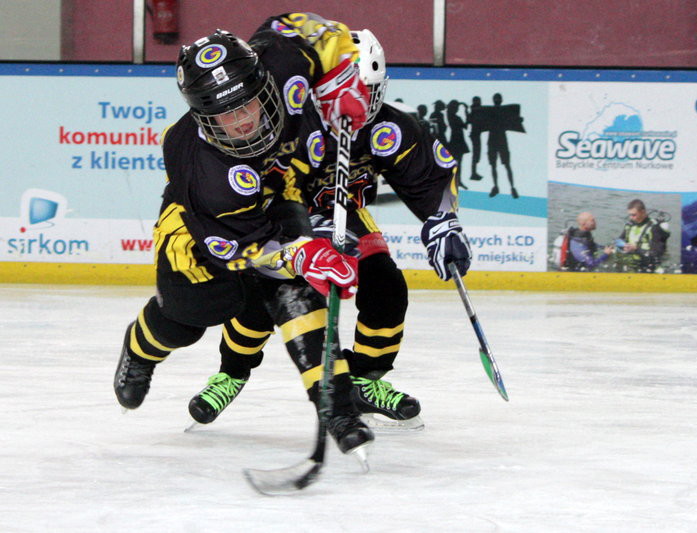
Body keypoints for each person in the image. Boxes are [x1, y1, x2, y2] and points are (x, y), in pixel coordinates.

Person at [113, 19, 376, 455]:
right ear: (202, 116)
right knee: (186, 320)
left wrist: (344, 74)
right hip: (203, 229)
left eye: (246, 106)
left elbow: (302, 29)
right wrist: (302, 255)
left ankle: (338, 408)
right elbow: (253, 247)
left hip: (277, 194)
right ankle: (140, 349)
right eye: (223, 115)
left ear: (264, 86)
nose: (239, 123)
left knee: (297, 292)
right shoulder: (203, 171)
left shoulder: (282, 61)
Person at [192, 27, 472, 430]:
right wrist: (304, 234)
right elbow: (250, 188)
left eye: (370, 94)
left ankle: (363, 380)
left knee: (386, 285)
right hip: (284, 220)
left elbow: (427, 174)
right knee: (265, 296)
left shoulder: (388, 129)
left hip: (345, 216)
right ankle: (231, 373)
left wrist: (443, 221)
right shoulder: (288, 124)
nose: (360, 107)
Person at [617, 199, 670, 273]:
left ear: (643, 212)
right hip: (631, 263)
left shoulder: (654, 228)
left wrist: (636, 249)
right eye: (630, 215)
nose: (631, 218)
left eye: (634, 215)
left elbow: (656, 254)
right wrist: (624, 246)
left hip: (647, 266)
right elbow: (619, 240)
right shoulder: (630, 225)